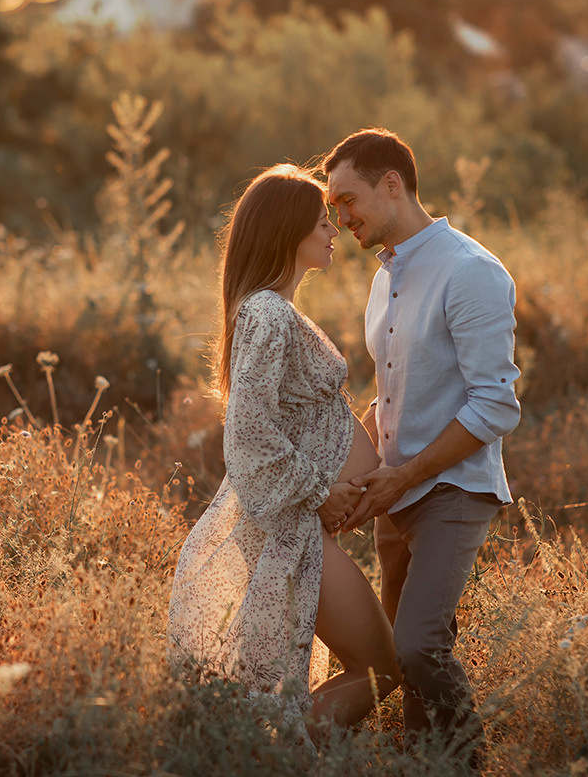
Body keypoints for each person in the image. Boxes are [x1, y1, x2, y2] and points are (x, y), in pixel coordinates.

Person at [168, 163, 400, 747]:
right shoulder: (267, 313)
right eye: (321, 222)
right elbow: (247, 429)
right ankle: (274, 759)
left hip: (304, 527)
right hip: (294, 531)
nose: (334, 230)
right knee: (379, 670)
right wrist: (321, 492)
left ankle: (269, 756)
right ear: (287, 232)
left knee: (376, 667)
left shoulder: (272, 309)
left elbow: (298, 417)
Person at [324, 128, 520, 765]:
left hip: (452, 489)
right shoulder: (384, 279)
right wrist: (355, 474)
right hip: (394, 494)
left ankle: (470, 764)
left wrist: (405, 475)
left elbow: (495, 404)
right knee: (397, 658)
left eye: (347, 200)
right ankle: (422, 762)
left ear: (392, 185)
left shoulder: (470, 271)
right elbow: (395, 393)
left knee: (417, 646)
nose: (341, 217)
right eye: (333, 207)